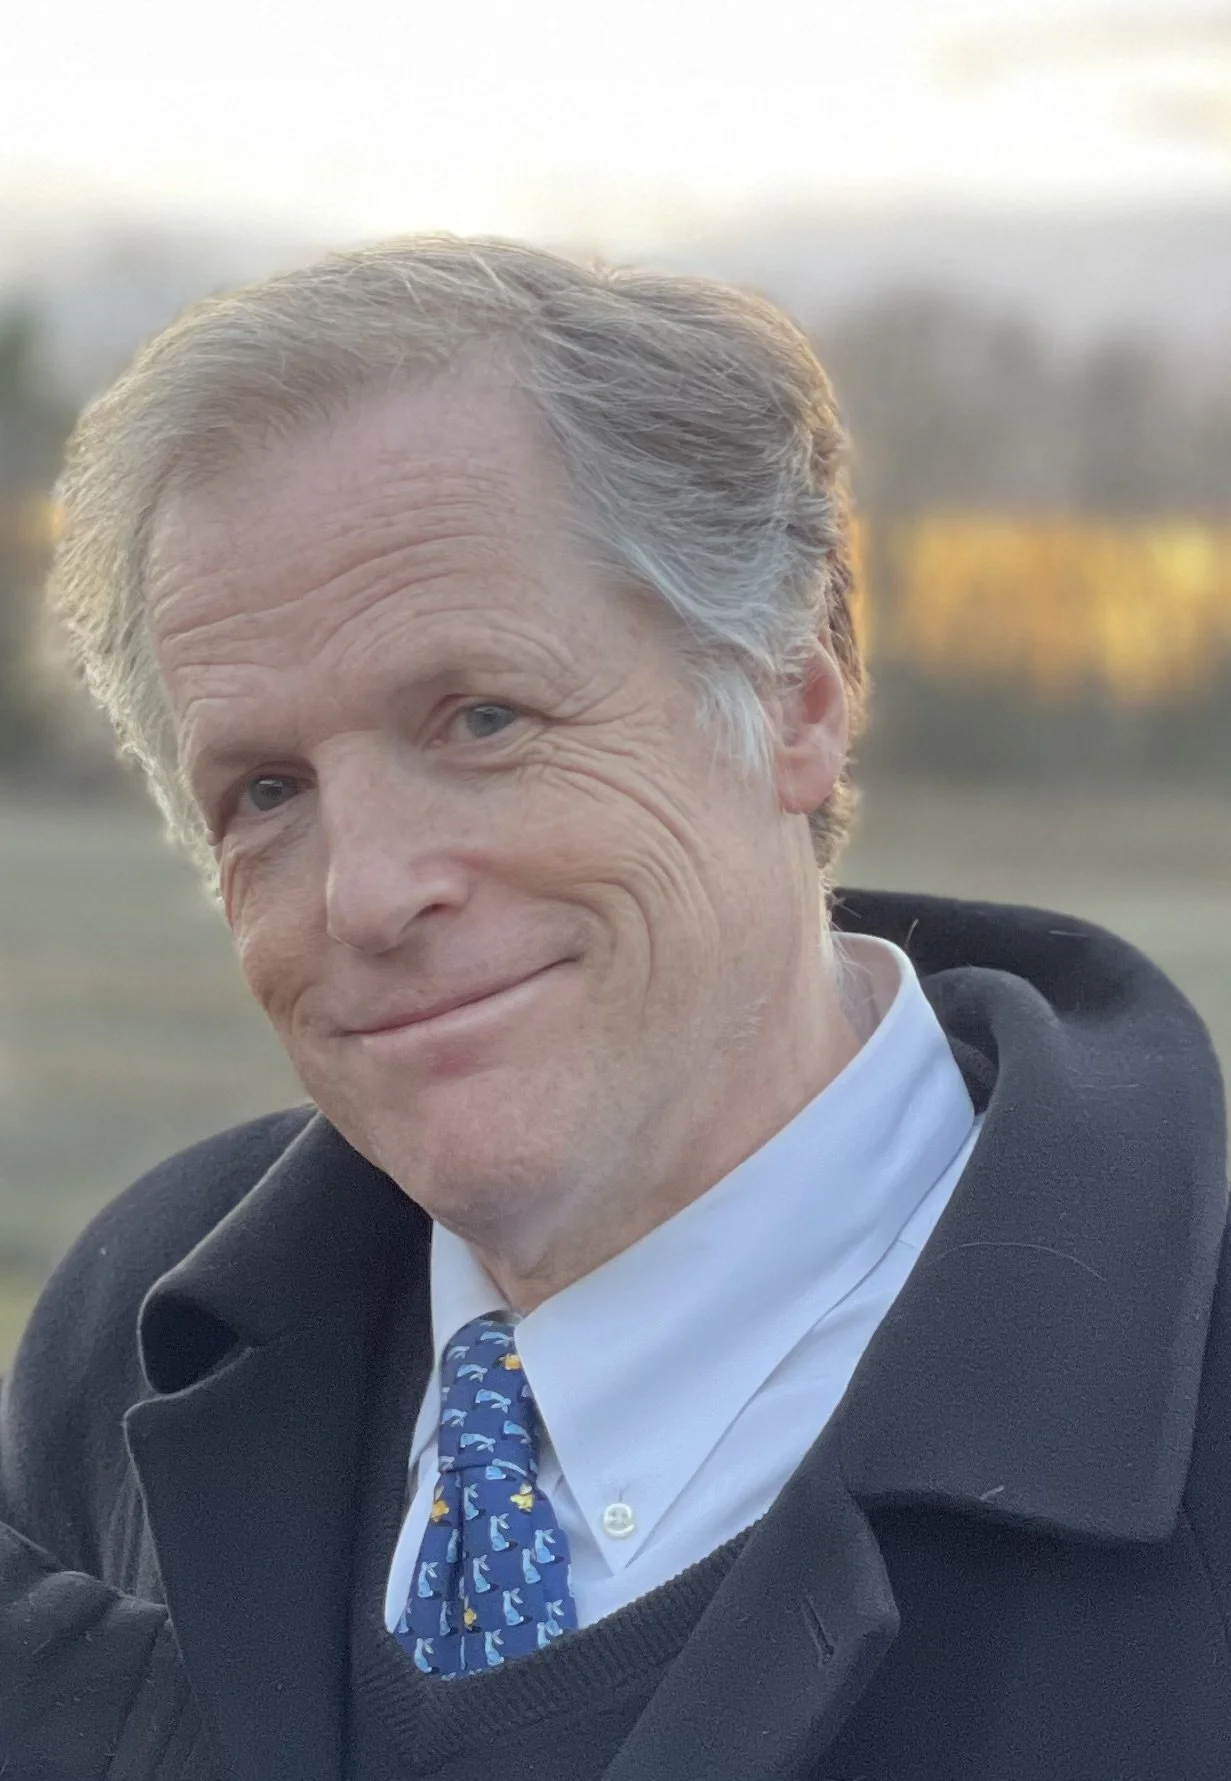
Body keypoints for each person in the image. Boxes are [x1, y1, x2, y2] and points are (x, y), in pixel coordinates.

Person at [1, 236, 1228, 1781]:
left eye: (481, 718)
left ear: (794, 696)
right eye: (265, 790)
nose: (364, 894)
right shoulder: (141, 1339)